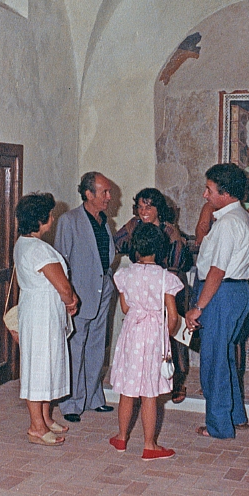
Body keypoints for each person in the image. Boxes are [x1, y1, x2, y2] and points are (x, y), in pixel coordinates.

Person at [185, 163, 249, 439]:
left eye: (209, 190)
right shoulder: (240, 216)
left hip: (221, 293)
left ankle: (219, 426)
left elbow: (217, 270)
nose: (205, 195)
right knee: (225, 355)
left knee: (214, 361)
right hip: (234, 292)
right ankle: (235, 416)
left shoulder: (228, 223)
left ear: (225, 194)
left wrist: (198, 307)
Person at [109, 223, 182, 460]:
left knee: (128, 389)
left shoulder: (124, 274)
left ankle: (121, 437)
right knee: (150, 392)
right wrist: (167, 335)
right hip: (153, 334)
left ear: (135, 248)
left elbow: (125, 307)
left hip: (132, 331)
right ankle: (149, 444)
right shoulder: (164, 278)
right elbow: (172, 316)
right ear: (159, 249)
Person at [13, 193, 79, 446]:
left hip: (36, 309)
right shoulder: (39, 249)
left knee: (46, 365)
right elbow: (62, 286)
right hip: (42, 313)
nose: (52, 218)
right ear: (40, 220)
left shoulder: (24, 243)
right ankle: (36, 427)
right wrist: (71, 301)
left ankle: (44, 417)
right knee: (39, 368)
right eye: (50, 215)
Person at [114, 187, 192, 403]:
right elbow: (115, 243)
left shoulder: (169, 231)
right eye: (140, 206)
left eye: (148, 206)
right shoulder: (133, 225)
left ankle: (176, 380)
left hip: (167, 285)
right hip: (141, 284)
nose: (143, 211)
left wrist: (159, 284)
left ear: (159, 208)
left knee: (173, 338)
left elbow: (176, 264)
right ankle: (140, 380)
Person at [54, 173, 116, 423]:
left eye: (109, 192)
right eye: (105, 192)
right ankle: (71, 403)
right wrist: (68, 295)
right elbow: (61, 260)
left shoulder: (104, 221)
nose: (109, 197)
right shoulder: (69, 221)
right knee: (75, 348)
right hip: (78, 295)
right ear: (89, 194)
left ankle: (93, 398)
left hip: (103, 292)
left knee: (96, 348)